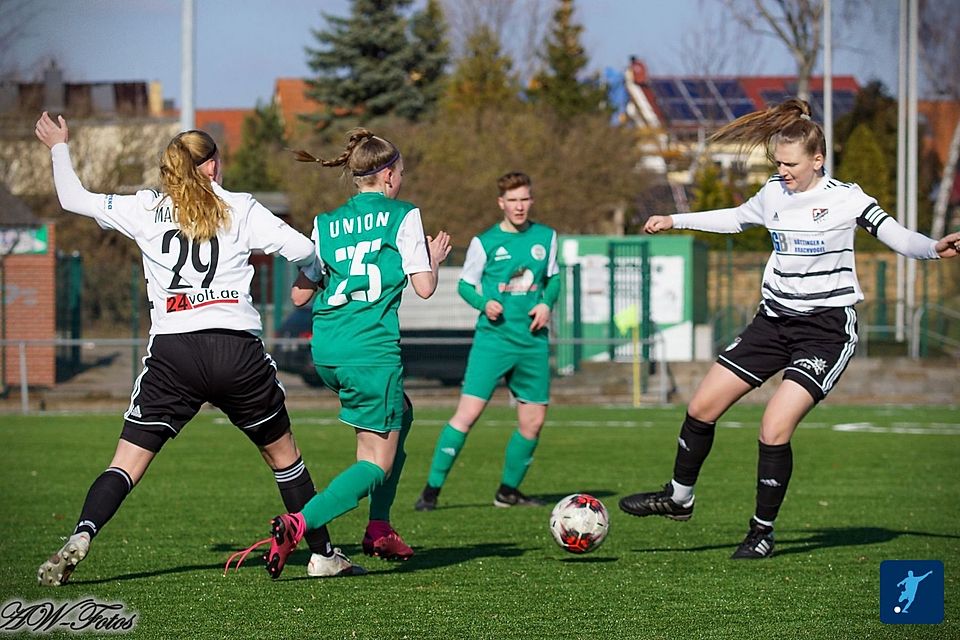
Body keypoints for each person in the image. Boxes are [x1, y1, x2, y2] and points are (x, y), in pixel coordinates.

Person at [618, 98, 960, 559]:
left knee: (773, 427)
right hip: (773, 322)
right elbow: (736, 218)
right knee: (701, 407)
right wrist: (674, 219)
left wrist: (933, 248)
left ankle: (761, 531)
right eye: (778, 162)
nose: (783, 171)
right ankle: (679, 498)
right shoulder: (774, 194)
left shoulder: (847, 199)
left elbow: (896, 235)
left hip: (825, 330)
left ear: (817, 160)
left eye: (791, 164)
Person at [34, 112, 360, 585]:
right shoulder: (241, 207)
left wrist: (59, 145)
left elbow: (72, 197)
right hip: (235, 351)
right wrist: (311, 275)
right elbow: (306, 251)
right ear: (212, 166)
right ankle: (324, 554)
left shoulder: (146, 208)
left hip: (174, 354)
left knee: (125, 462)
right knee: (284, 456)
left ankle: (83, 534)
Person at [225, 128, 450, 579]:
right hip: (370, 350)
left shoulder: (325, 223)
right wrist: (433, 257)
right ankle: (298, 523)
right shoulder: (403, 216)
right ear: (386, 176)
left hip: (327, 350)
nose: (401, 180)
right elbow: (424, 289)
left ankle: (379, 528)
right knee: (375, 463)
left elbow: (300, 297)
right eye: (401, 172)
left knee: (399, 415)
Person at [413, 172, 560, 511]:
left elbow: (553, 278)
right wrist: (484, 303)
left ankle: (508, 492)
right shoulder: (485, 242)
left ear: (531, 200)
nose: (519, 206)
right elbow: (465, 285)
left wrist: (546, 303)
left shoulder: (546, 237)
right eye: (513, 200)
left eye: (524, 199)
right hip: (493, 340)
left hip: (532, 341)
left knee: (533, 422)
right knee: (467, 415)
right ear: (501, 203)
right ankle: (431, 491)